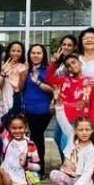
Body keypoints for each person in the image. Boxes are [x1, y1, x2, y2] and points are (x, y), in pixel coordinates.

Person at [0, 114, 40, 185]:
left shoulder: (31, 144)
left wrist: (26, 164)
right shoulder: (7, 138)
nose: (17, 131)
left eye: (20, 127)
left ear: (26, 128)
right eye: (13, 128)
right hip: (7, 178)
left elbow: (38, 167)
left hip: (22, 181)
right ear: (9, 128)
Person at [50, 117, 94, 185]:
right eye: (80, 130)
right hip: (69, 177)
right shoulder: (71, 139)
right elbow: (63, 122)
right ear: (75, 131)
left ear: (92, 130)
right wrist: (59, 108)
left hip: (82, 180)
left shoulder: (91, 149)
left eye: (87, 129)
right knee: (54, 174)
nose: (84, 133)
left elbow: (87, 173)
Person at [23, 44, 55, 176]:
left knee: (36, 137)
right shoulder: (26, 69)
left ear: (43, 55)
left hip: (43, 109)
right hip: (27, 109)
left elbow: (53, 89)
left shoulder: (48, 70)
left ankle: (38, 169)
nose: (35, 55)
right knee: (34, 137)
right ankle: (34, 167)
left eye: (39, 53)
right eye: (33, 53)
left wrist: (38, 82)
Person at [0, 41, 27, 126]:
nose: (16, 53)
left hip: (14, 99)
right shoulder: (3, 65)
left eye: (18, 51)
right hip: (2, 98)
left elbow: (21, 88)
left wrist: (19, 77)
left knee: (12, 124)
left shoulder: (23, 67)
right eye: (13, 50)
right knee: (0, 124)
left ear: (22, 53)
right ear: (9, 52)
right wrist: (3, 72)